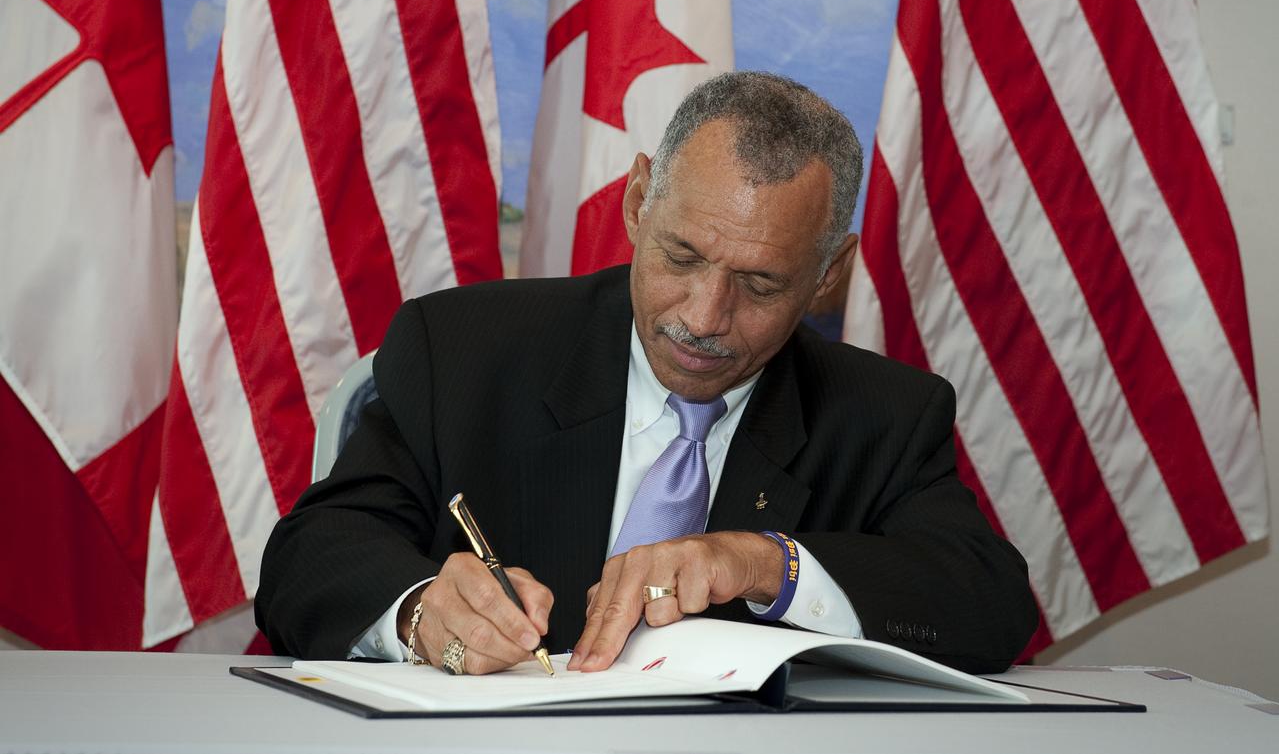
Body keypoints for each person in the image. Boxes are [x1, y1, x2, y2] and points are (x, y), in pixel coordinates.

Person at [256, 71, 1038, 676]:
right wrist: (418, 610)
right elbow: (310, 555)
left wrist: (766, 562)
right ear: (637, 204)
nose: (702, 316)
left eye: (760, 285)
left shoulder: (885, 415)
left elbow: (990, 604)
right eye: (682, 256)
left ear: (828, 273)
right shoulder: (462, 350)